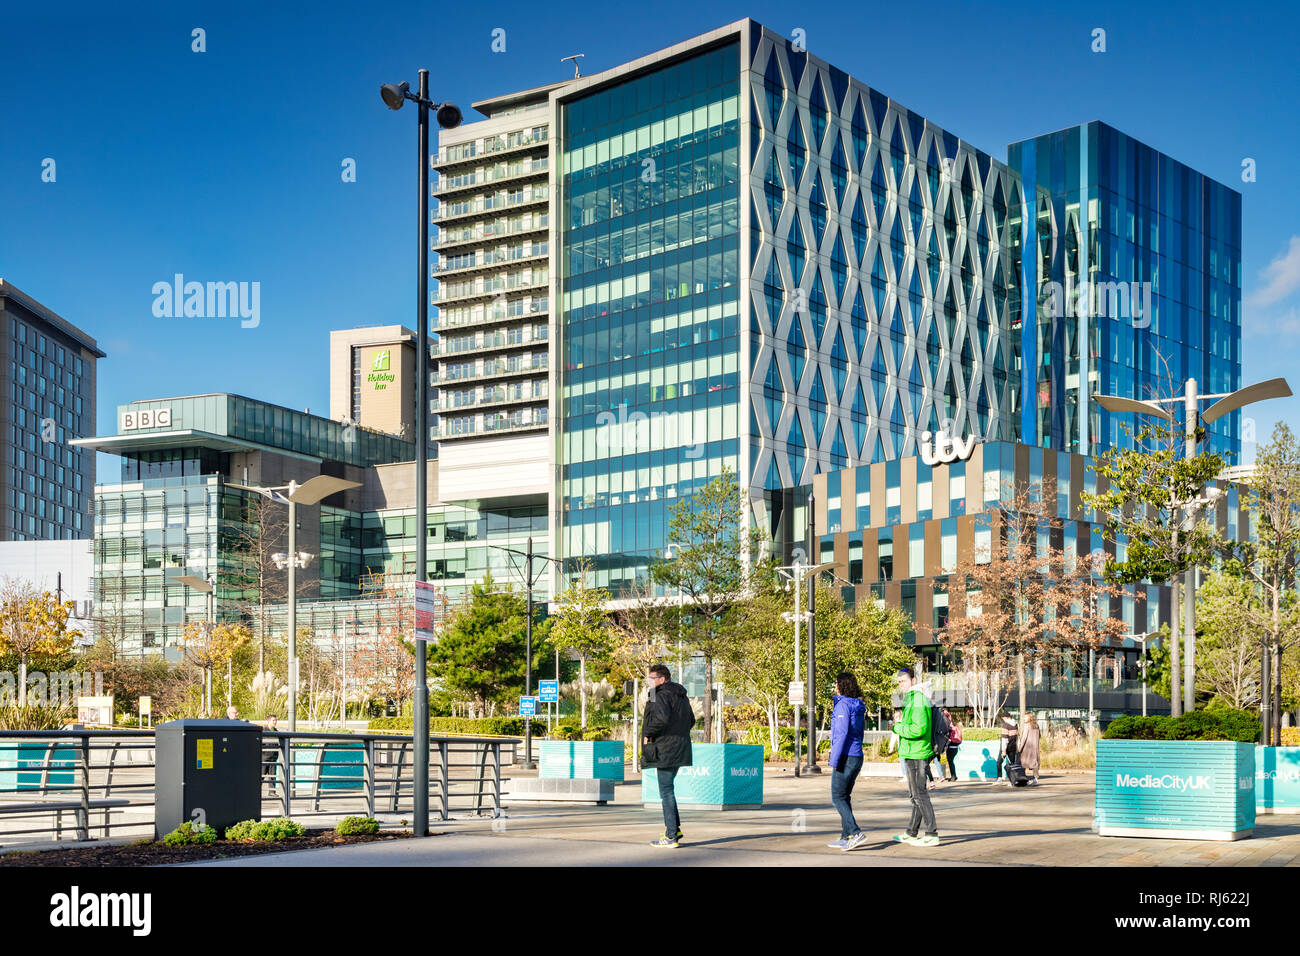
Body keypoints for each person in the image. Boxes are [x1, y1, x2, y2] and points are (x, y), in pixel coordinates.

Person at [641, 664, 695, 848]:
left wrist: (648, 734)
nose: (649, 682)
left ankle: (671, 835)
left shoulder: (662, 694)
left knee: (666, 791)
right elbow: (692, 720)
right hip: (680, 747)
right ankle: (675, 829)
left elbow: (661, 719)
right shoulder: (681, 696)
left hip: (665, 749)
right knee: (668, 789)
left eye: (652, 679)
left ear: (662, 679)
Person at [891, 667, 939, 846]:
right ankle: (911, 832)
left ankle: (932, 834)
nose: (900, 684)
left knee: (920, 795)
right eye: (898, 681)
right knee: (915, 796)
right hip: (913, 751)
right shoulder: (912, 699)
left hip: (918, 752)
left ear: (913, 680)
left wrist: (898, 727)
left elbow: (919, 728)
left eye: (903, 680)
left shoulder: (918, 699)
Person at [826, 672, 867, 851]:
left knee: (837, 797)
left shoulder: (843, 706)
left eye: (836, 683)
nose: (834, 686)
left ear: (841, 685)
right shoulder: (857, 705)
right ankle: (846, 836)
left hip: (845, 756)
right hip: (856, 755)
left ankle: (855, 832)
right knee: (845, 797)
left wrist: (834, 759)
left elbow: (841, 734)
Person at [1018, 712, 1041, 785]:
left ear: (1029, 718)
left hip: (1027, 747)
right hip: (1035, 747)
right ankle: (1035, 779)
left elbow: (1024, 737)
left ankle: (1024, 779)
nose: (1024, 718)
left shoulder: (1027, 725)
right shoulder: (1036, 725)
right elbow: (1040, 736)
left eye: (1025, 717)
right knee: (1035, 763)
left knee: (1022, 763)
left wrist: (1020, 747)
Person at [997, 713, 1019, 782]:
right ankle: (1013, 779)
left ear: (1005, 717)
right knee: (1012, 764)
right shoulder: (1015, 724)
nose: (1003, 720)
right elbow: (1016, 737)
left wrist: (1003, 750)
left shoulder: (1005, 725)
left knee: (998, 762)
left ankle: (999, 778)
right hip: (1013, 747)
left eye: (1003, 718)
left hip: (1005, 747)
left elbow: (1004, 739)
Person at [943, 708, 962, 781]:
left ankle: (953, 777)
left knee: (950, 762)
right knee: (951, 762)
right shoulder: (955, 727)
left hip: (950, 747)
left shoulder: (948, 727)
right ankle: (953, 775)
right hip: (955, 747)